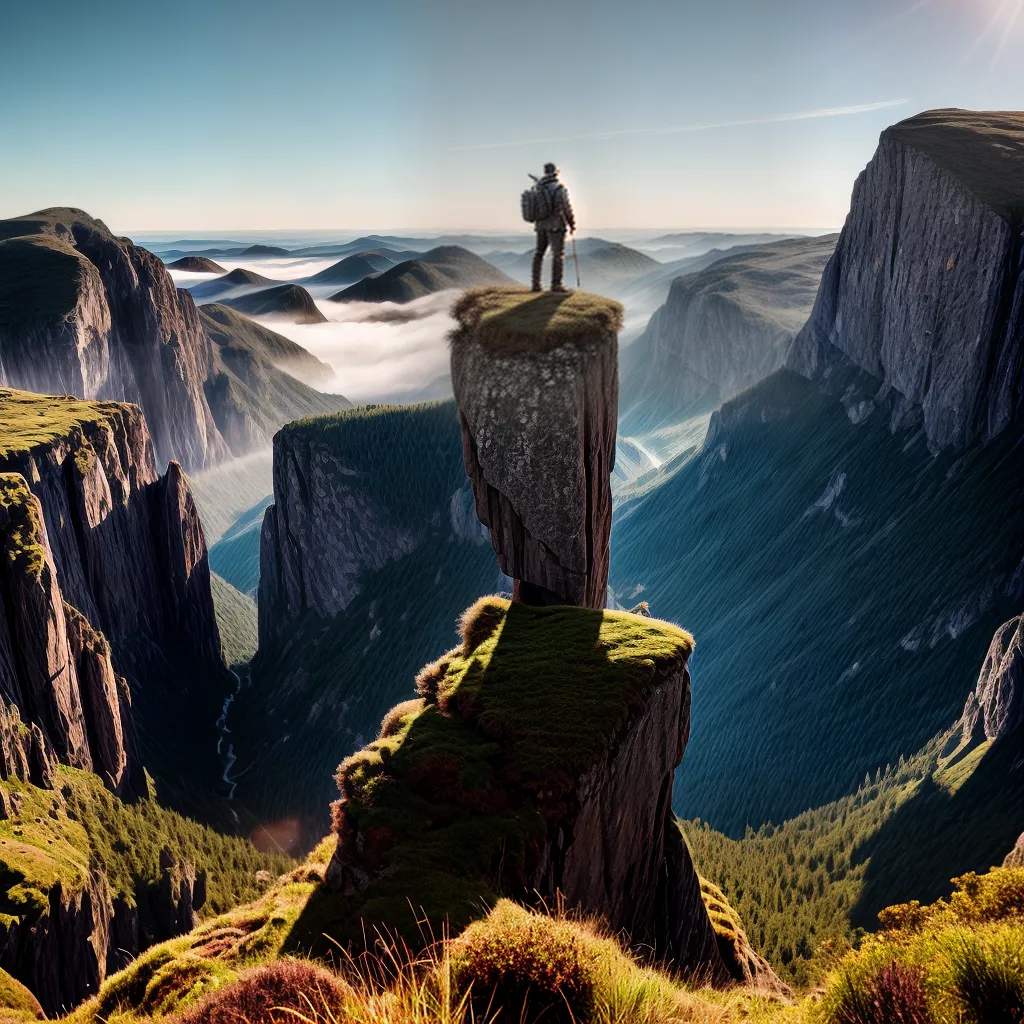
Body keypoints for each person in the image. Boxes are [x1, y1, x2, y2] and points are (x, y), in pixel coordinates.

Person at [531, 163, 576, 292]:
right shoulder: (558, 188)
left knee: (539, 253)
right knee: (558, 255)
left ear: (544, 172)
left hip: (540, 226)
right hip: (556, 225)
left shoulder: (538, 187)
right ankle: (556, 285)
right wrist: (572, 223)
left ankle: (536, 284)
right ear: (555, 172)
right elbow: (566, 207)